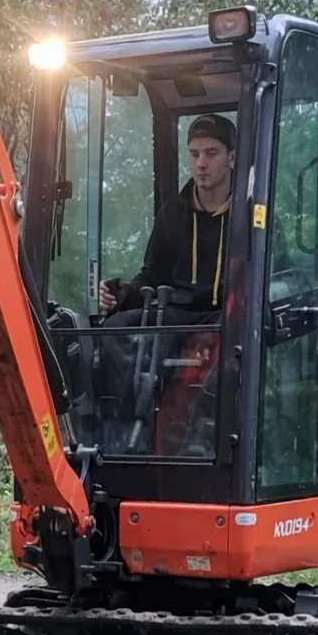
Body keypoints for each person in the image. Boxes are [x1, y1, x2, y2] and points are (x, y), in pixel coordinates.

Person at [97, 113, 236, 450]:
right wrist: (122, 295)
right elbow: (151, 274)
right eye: (194, 154)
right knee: (115, 330)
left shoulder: (250, 216)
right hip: (174, 315)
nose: (201, 163)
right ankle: (123, 438)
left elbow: (274, 279)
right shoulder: (172, 214)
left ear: (232, 157)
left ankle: (206, 444)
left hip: (224, 317)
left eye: (211, 153)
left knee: (231, 340)